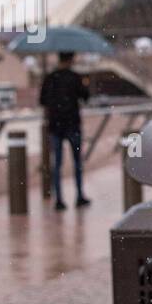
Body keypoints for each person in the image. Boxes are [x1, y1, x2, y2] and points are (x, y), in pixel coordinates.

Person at [39, 52, 91, 210]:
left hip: (55, 126)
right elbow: (86, 97)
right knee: (77, 163)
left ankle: (59, 199)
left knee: (57, 164)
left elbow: (42, 100)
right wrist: (85, 84)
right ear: (71, 60)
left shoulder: (50, 78)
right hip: (73, 125)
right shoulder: (75, 77)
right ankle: (79, 195)